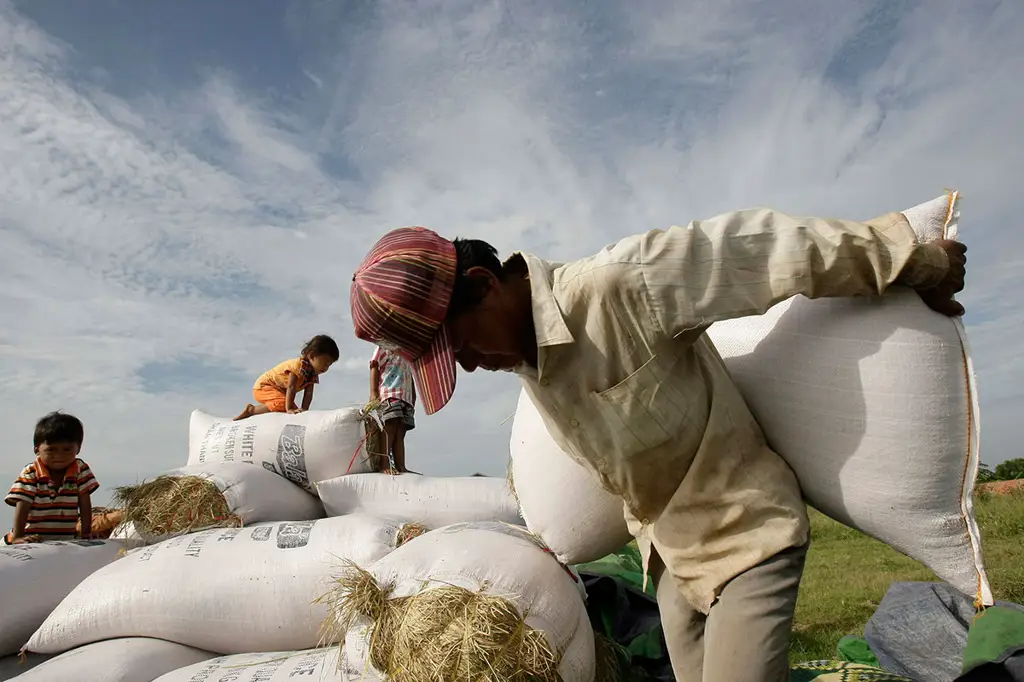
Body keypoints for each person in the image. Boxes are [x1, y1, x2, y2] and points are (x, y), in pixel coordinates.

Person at [349, 207, 968, 682]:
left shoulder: (619, 286)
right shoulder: (527, 364)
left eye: (461, 349)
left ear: (485, 285)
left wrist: (920, 262)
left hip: (744, 537)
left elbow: (772, 250)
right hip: (671, 565)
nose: (473, 367)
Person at [5, 411, 101, 544]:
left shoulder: (80, 469)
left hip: (63, 540)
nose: (59, 455)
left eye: (67, 449)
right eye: (51, 450)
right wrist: (18, 537)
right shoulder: (31, 472)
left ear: (78, 449)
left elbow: (85, 502)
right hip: (31, 538)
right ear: (37, 449)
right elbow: (22, 504)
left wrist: (86, 533)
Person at [234, 335, 339, 421]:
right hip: (263, 387)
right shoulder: (298, 366)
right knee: (284, 405)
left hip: (278, 391)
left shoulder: (312, 375)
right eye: (325, 363)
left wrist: (304, 412)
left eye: (329, 365)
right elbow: (291, 387)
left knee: (294, 410)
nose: (326, 368)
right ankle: (251, 410)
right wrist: (288, 409)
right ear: (311, 356)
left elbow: (308, 395)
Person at [369, 345, 417, 474]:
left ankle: (400, 465)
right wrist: (373, 392)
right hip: (390, 392)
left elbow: (410, 374)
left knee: (401, 431)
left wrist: (413, 395)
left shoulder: (407, 351)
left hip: (405, 396)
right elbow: (374, 366)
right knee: (390, 426)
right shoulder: (384, 346)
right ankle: (384, 463)